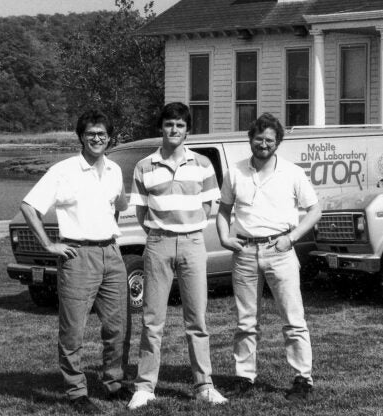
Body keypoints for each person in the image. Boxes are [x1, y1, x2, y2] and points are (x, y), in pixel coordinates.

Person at [20, 109, 130, 414]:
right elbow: (29, 206)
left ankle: (115, 383)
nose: (97, 138)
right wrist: (49, 244)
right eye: (91, 133)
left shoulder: (115, 171)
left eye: (103, 134)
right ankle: (76, 391)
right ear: (81, 137)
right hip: (77, 256)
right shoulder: (63, 171)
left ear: (110, 138)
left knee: (117, 326)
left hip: (111, 253)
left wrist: (107, 235)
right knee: (73, 329)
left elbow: (117, 207)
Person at [127, 102, 227, 409]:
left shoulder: (202, 164)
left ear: (187, 130)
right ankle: (145, 387)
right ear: (162, 127)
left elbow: (210, 204)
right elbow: (142, 210)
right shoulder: (144, 166)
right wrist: (162, 231)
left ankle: (204, 385)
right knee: (152, 320)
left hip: (194, 244)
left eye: (180, 125)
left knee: (196, 319)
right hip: (158, 244)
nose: (174, 130)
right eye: (169, 124)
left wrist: (188, 225)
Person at [216, 112, 322, 401]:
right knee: (246, 321)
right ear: (250, 138)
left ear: (278, 143)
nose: (263, 144)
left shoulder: (292, 172)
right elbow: (224, 210)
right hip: (246, 252)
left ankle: (303, 379)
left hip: (280, 251)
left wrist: (292, 238)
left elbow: (314, 210)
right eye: (259, 138)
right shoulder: (235, 171)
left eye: (270, 140)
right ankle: (245, 377)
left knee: (293, 318)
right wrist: (226, 238)